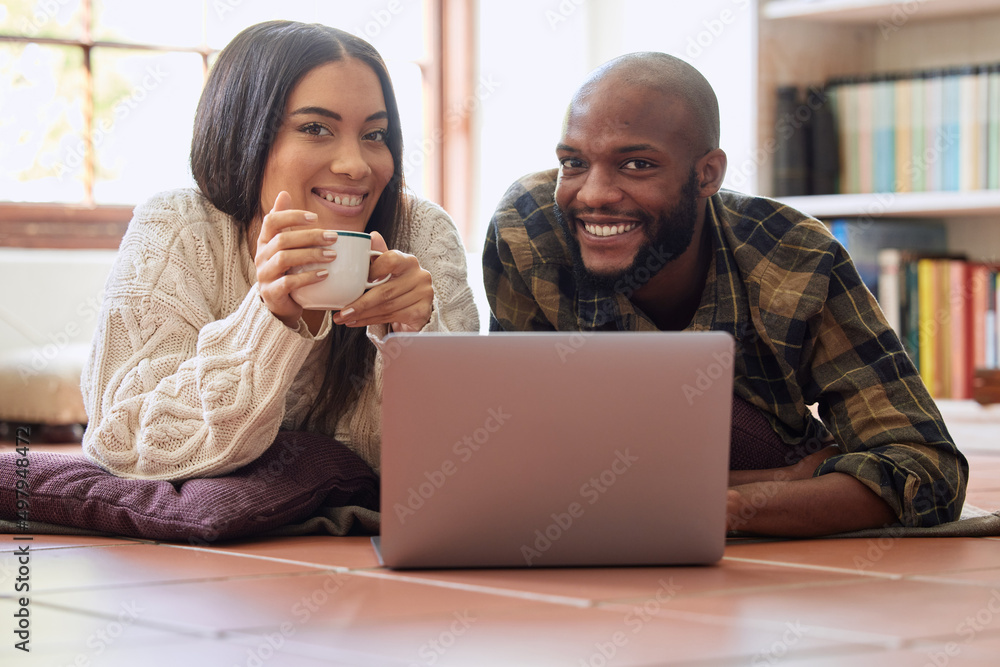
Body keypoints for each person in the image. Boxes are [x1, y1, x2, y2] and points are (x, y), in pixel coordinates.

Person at [482, 52, 967, 537]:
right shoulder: (528, 230)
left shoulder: (794, 256)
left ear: (707, 174)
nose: (592, 194)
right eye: (574, 163)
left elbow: (927, 469)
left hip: (755, 560)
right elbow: (516, 452)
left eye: (636, 164)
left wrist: (736, 505)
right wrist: (786, 481)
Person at [81, 21, 479, 481]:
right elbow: (124, 444)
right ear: (242, 134)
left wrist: (413, 344)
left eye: (375, 135)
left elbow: (458, 468)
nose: (355, 165)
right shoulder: (177, 230)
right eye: (315, 128)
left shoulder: (421, 234)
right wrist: (269, 320)